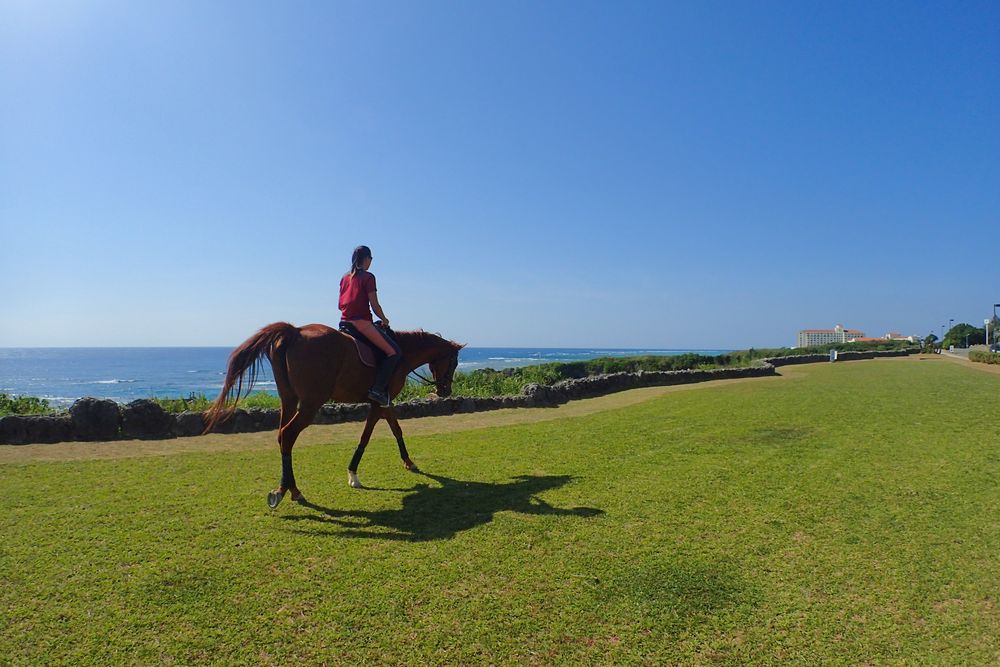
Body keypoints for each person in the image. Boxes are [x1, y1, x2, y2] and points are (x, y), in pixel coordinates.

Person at [339, 245, 402, 406]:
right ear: (366, 259)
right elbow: (374, 305)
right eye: (371, 259)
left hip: (344, 322)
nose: (371, 262)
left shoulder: (345, 278)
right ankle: (377, 390)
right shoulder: (368, 277)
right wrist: (384, 319)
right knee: (394, 352)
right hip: (360, 323)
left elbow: (341, 305)